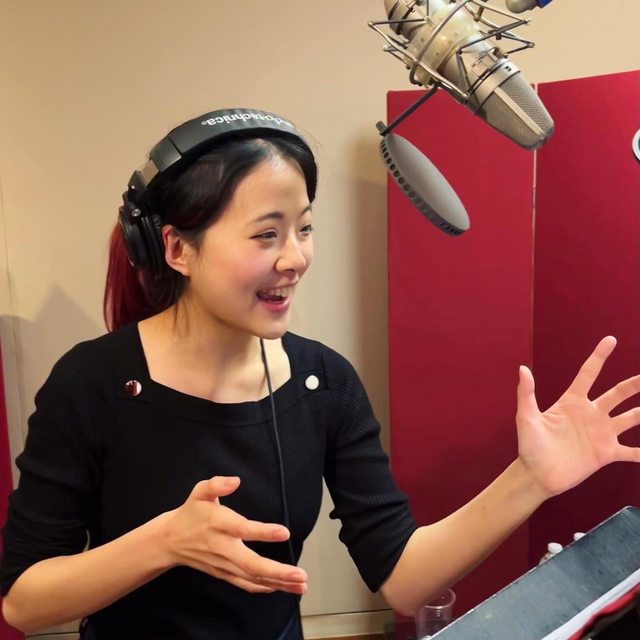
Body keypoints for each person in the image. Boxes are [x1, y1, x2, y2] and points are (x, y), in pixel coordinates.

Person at [1, 107, 639, 640]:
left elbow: (402, 579)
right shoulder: (93, 383)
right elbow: (23, 602)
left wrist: (530, 479)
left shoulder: (323, 382)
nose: (296, 258)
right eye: (266, 234)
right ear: (176, 248)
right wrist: (164, 542)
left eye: (304, 228)